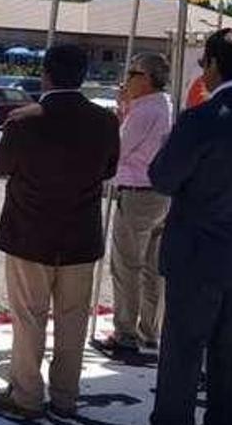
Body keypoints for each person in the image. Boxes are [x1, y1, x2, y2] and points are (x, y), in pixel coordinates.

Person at [148, 28, 232, 425]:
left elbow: (162, 178)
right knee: (230, 358)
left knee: (183, 355)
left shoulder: (201, 119)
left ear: (213, 64)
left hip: (196, 254)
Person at [0, 45, 119, 419]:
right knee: (73, 320)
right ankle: (65, 396)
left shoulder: (23, 120)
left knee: (29, 317)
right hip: (80, 236)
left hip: (30, 233)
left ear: (45, 73)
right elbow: (109, 169)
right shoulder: (105, 121)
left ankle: (26, 394)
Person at [101, 52, 172, 354]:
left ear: (147, 79)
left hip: (138, 192)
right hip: (159, 192)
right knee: (152, 269)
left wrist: (122, 115)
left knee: (127, 266)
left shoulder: (145, 110)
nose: (126, 79)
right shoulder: (163, 105)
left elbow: (119, 148)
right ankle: (149, 330)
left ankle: (125, 332)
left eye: (132, 74)